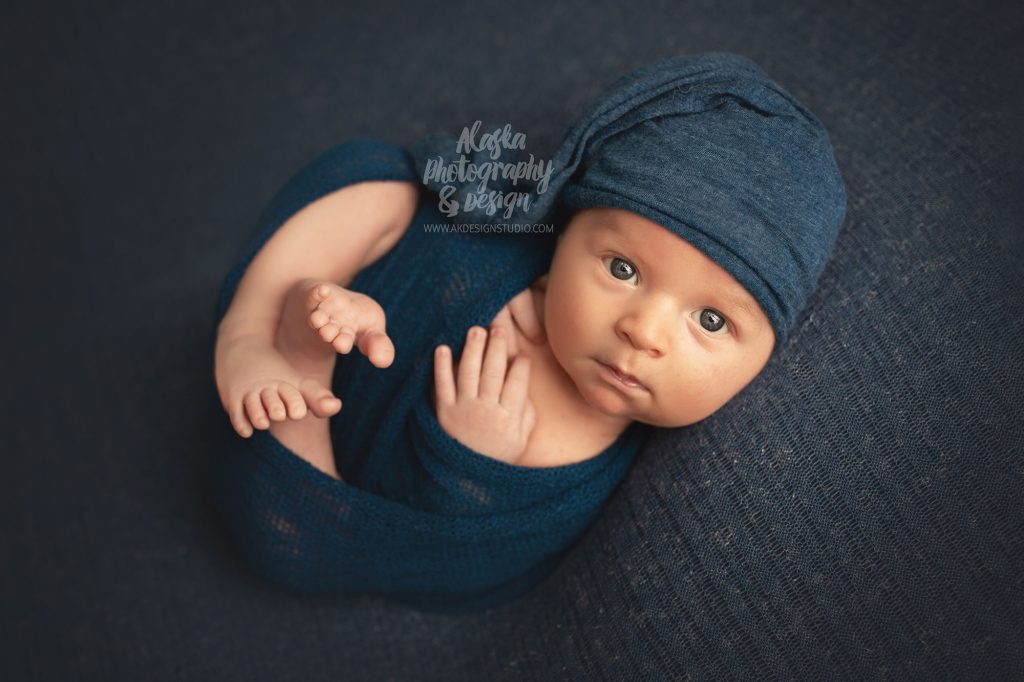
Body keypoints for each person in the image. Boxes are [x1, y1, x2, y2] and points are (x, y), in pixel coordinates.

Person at [208, 52, 846, 611]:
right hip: (363, 285)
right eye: (622, 269)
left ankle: (299, 349)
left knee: (292, 542)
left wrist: (467, 460)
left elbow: (451, 552)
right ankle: (250, 327)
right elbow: (445, 217)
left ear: (770, 353)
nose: (641, 330)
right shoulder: (526, 248)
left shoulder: (567, 457)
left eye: (711, 320)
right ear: (565, 234)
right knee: (377, 178)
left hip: (326, 455)